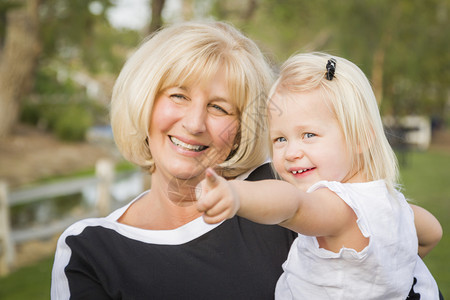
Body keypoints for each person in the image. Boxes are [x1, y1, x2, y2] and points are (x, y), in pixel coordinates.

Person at [50, 21, 297, 299]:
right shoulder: (89, 250)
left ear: (241, 130)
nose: (194, 124)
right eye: (178, 96)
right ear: (144, 103)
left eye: (219, 107)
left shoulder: (282, 195)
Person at [196, 52, 443, 299]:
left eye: (309, 135)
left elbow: (293, 205)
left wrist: (237, 194)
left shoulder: (339, 208)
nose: (291, 152)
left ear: (360, 137)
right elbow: (433, 233)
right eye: (280, 139)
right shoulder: (395, 207)